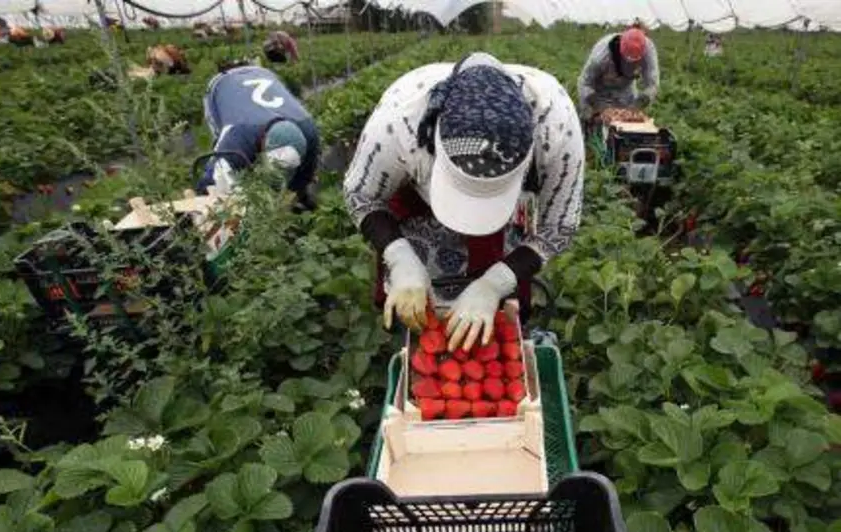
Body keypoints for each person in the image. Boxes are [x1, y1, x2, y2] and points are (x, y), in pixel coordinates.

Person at [344, 52, 584, 350]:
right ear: (435, 144)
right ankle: (416, 350)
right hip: (419, 217)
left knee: (497, 310)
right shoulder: (400, 120)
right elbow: (361, 194)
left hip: (505, 228)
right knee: (419, 306)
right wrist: (400, 258)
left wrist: (495, 283)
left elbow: (559, 226)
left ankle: (490, 342)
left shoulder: (556, 126)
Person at [198, 64, 319, 210]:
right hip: (222, 85)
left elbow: (305, 176)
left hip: (262, 73)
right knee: (226, 179)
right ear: (264, 144)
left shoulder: (309, 130)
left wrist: (295, 195)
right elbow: (211, 180)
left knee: (290, 190)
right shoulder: (237, 135)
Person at [576, 26, 660, 121]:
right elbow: (585, 83)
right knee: (594, 124)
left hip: (625, 92)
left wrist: (638, 104)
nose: (630, 63)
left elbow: (652, 85)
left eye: (634, 61)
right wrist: (598, 105)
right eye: (627, 60)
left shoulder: (648, 50)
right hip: (598, 91)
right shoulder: (601, 56)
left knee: (625, 123)